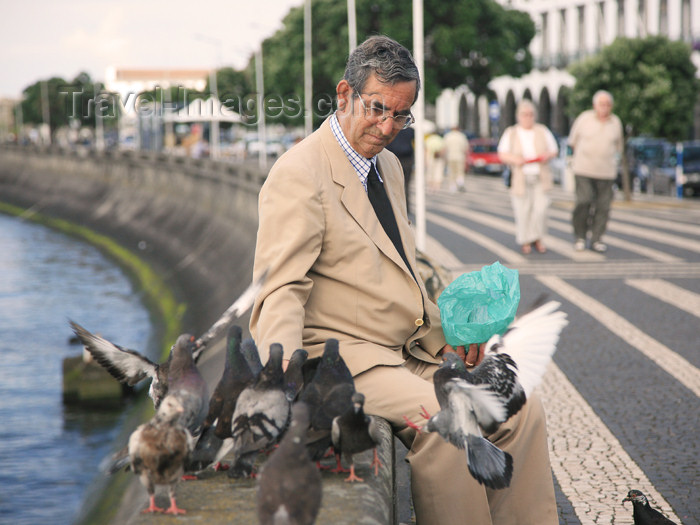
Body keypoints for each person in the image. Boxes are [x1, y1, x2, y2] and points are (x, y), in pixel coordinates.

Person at [250, 35, 558, 525]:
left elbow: (401, 272)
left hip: (406, 351)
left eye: (401, 114)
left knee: (522, 407)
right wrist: (279, 377)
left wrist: (449, 338)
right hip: (346, 361)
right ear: (344, 95)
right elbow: (280, 288)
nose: (388, 126)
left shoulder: (388, 165)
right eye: (378, 109)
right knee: (450, 421)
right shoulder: (300, 172)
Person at [497, 100, 558, 254]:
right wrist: (515, 159)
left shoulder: (542, 131)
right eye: (524, 115)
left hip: (540, 175)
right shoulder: (511, 132)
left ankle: (537, 237)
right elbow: (502, 153)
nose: (528, 118)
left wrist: (546, 156)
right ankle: (525, 240)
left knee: (540, 209)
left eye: (531, 115)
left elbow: (554, 150)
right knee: (523, 210)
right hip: (520, 177)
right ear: (519, 116)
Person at [568, 90, 623, 252]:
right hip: (584, 169)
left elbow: (619, 147)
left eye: (607, 104)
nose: (604, 108)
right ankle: (580, 236)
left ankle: (597, 238)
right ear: (595, 105)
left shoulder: (615, 122)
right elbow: (573, 142)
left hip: (606, 172)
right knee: (583, 201)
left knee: (603, 207)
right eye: (601, 104)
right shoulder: (584, 119)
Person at [386, 126, 415, 213]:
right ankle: (405, 206)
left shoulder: (390, 128)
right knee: (406, 184)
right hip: (407, 159)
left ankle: (395, 206)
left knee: (391, 184)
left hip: (392, 158)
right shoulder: (410, 130)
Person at [443, 126, 470, 192]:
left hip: (450, 156)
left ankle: (453, 187)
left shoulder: (448, 136)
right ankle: (460, 183)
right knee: (460, 171)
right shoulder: (461, 136)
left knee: (452, 172)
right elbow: (466, 148)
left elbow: (444, 147)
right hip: (460, 156)